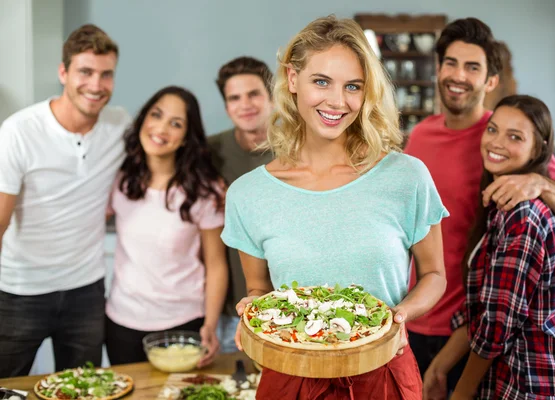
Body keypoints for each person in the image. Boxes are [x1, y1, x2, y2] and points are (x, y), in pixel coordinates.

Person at [222, 15, 448, 399]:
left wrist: (400, 316)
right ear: (293, 80)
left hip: (383, 372)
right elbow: (260, 288)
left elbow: (434, 275)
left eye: (353, 86)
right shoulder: (248, 194)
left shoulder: (406, 177)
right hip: (291, 376)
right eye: (321, 81)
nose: (337, 101)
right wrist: (252, 310)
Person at [405, 17, 555, 393]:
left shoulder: (506, 140)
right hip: (416, 318)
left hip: (474, 332)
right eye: (451, 63)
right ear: (438, 68)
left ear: (490, 81)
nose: (458, 75)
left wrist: (540, 183)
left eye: (472, 67)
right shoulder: (420, 137)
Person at [423, 95, 555, 400]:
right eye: (492, 130)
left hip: (531, 385)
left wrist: (460, 394)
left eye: (515, 137)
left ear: (539, 148)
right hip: (506, 379)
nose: (496, 142)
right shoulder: (501, 205)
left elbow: (496, 327)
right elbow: (482, 309)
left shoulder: (524, 215)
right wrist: (439, 367)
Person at [0, 24, 130, 377]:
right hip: (18, 290)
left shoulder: (120, 125)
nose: (96, 85)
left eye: (106, 74)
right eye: (85, 72)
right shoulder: (18, 132)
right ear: (63, 72)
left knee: (81, 388)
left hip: (85, 290)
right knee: (7, 385)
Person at [104, 86, 228, 367]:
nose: (161, 128)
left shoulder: (205, 191)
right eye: (156, 115)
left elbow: (216, 263)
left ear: (186, 138)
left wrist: (210, 324)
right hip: (122, 322)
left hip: (183, 322)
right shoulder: (121, 179)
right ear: (143, 119)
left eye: (176, 124)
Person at [209, 56, 274, 353]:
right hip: (228, 302)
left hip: (284, 297)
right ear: (226, 107)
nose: (244, 105)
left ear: (273, 97)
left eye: (253, 94)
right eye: (234, 98)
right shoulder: (211, 151)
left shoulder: (300, 148)